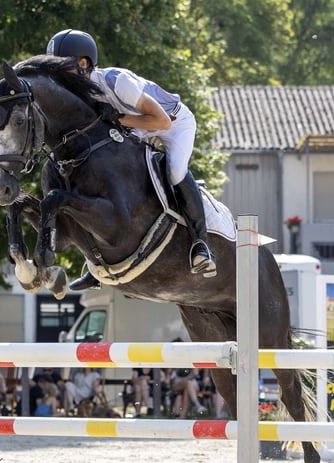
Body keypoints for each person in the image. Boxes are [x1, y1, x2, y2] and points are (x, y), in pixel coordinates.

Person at [46, 29, 216, 291]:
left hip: (173, 122)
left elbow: (160, 122)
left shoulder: (117, 82)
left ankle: (200, 243)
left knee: (174, 171)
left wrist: (117, 118)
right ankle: (94, 264)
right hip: (137, 127)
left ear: (84, 63)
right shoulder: (82, 94)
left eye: (62, 68)